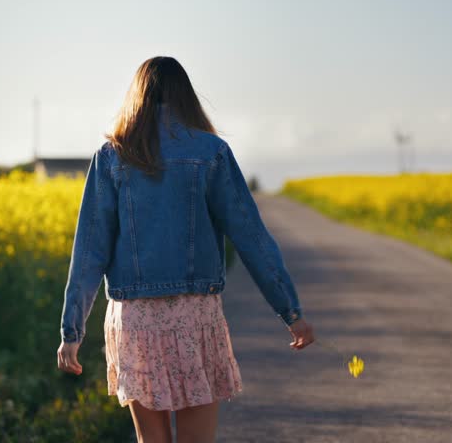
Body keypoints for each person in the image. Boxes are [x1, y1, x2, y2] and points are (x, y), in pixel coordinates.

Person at [56, 56, 315, 442]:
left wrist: (71, 331)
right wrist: (290, 312)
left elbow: (89, 252)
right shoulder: (211, 152)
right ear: (186, 97)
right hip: (194, 317)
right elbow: (252, 238)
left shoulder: (112, 156)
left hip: (135, 322)